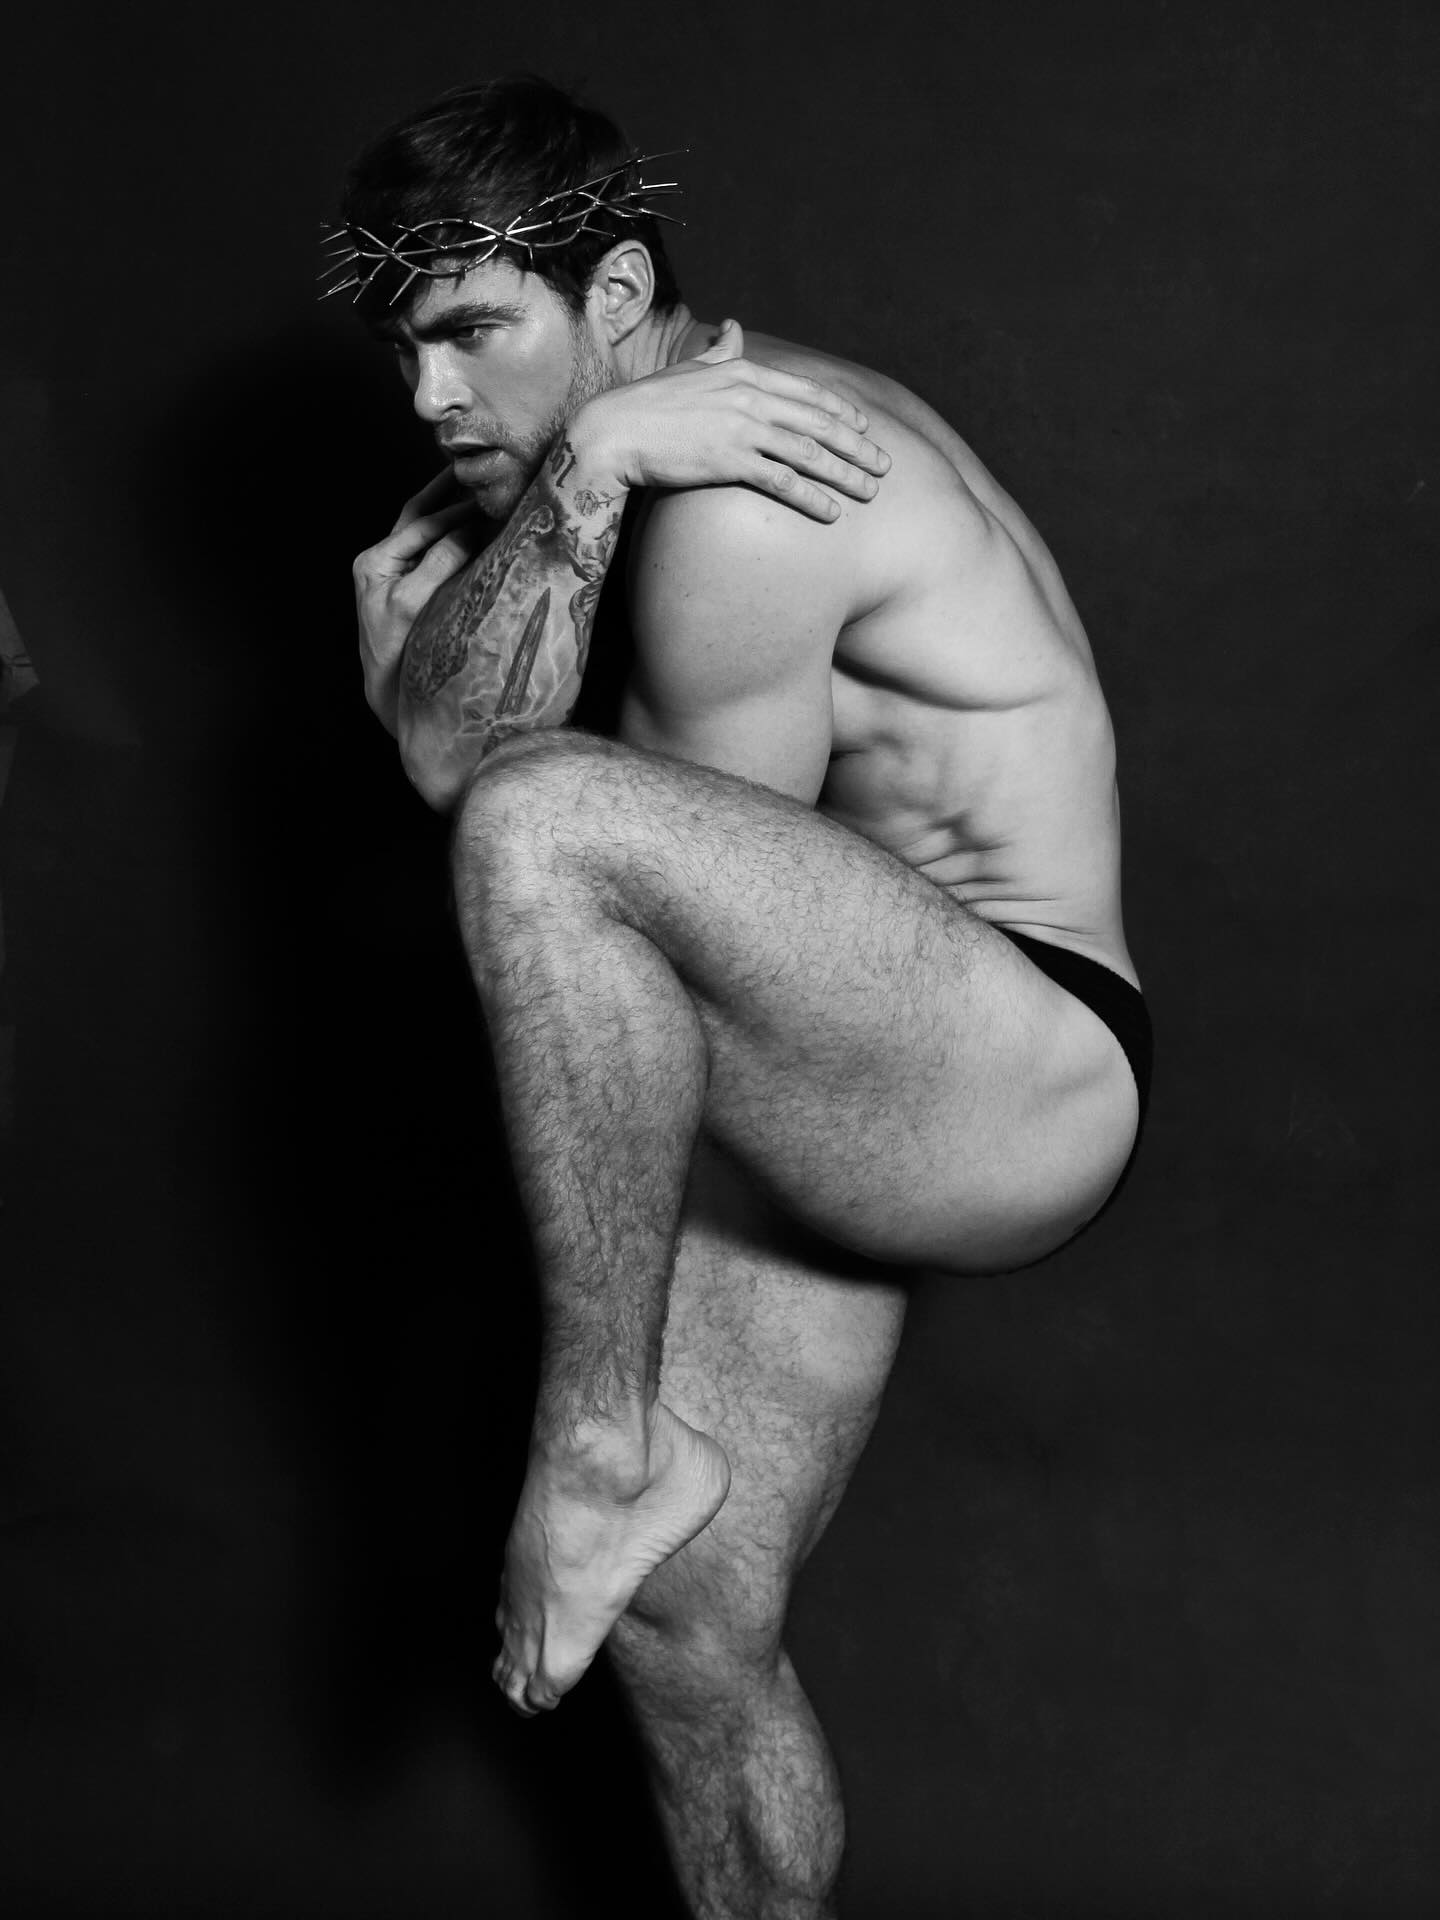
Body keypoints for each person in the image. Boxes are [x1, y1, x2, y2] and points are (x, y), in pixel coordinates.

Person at [332, 73, 1152, 1920]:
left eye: (474, 332)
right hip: (844, 1054)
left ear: (618, 295)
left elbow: (547, 831)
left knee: (544, 822)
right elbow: (487, 770)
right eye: (406, 352)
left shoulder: (746, 497)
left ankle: (600, 1444)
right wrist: (492, 641)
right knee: (681, 1620)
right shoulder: (662, 441)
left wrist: (581, 492)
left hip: (1016, 1061)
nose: (432, 398)